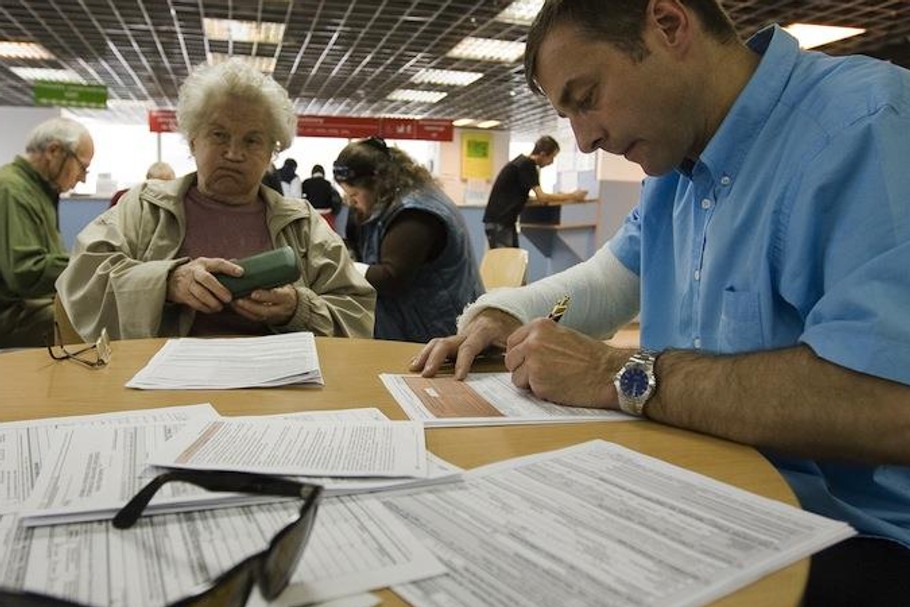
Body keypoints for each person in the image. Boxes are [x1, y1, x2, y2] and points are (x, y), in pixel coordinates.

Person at [411, 1, 910, 604]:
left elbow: (888, 404)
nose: (586, 139)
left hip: (856, 534)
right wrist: (501, 314)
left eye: (587, 97)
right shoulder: (678, 165)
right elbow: (611, 278)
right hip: (710, 494)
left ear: (669, 25)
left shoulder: (868, 123)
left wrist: (617, 374)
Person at [56, 58, 374, 341]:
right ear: (193, 140)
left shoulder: (302, 224)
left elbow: (357, 313)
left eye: (252, 140)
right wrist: (167, 282)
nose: (234, 153)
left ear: (271, 154)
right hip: (162, 384)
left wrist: (297, 309)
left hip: (279, 387)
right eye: (219, 135)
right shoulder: (145, 206)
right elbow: (82, 277)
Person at [333, 137, 483, 343]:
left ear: (377, 183)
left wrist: (341, 267)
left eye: (355, 194)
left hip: (437, 332)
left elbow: (391, 277)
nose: (351, 202)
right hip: (417, 328)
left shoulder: (416, 214)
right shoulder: (392, 204)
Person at [0, 117, 93, 348]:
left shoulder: (37, 190)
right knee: (93, 321)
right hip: (12, 313)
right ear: (54, 151)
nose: (82, 178)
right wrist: (89, 264)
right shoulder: (12, 189)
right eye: (82, 167)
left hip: (27, 306)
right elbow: (25, 271)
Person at [482, 135, 587, 249]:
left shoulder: (520, 163)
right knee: (507, 262)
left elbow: (525, 197)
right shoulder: (528, 165)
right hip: (501, 223)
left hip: (499, 222)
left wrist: (559, 196)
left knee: (509, 260)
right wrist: (572, 196)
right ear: (542, 154)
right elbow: (542, 197)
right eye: (552, 157)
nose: (551, 162)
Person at [109, 161, 176, 207]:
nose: (161, 188)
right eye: (157, 183)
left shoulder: (175, 203)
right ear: (148, 180)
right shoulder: (122, 197)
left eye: (165, 184)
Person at [301, 164, 343, 230]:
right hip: (327, 215)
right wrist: (334, 212)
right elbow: (337, 200)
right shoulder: (328, 184)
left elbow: (299, 198)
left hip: (312, 215)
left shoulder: (306, 183)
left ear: (312, 173)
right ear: (323, 173)